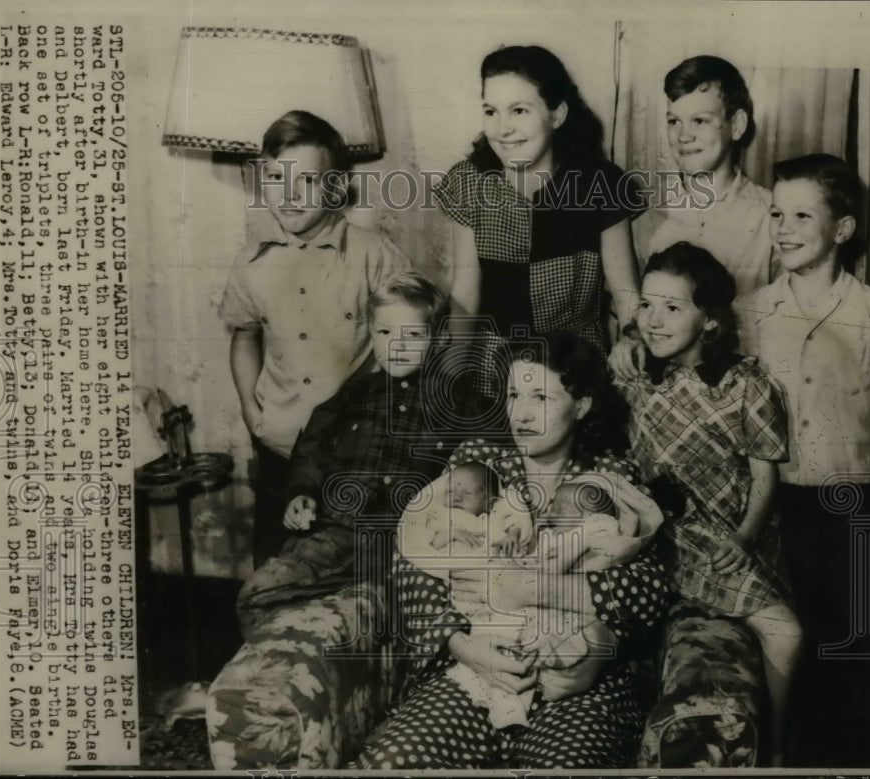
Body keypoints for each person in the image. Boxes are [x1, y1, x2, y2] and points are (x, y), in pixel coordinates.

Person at [352, 332, 669, 770]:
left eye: (540, 396)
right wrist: (463, 647)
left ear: (581, 405)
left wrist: (531, 593)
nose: (521, 413)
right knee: (394, 761)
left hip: (575, 679)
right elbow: (414, 560)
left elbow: (647, 589)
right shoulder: (479, 461)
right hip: (479, 663)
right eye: (513, 394)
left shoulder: (610, 474)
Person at [737, 154, 870, 767]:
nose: (784, 227)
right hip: (784, 504)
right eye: (777, 214)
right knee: (797, 640)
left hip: (857, 504)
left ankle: (857, 760)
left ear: (841, 230)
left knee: (860, 643)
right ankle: (792, 759)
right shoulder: (754, 312)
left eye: (802, 215)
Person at [614, 241, 801, 764]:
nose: (654, 319)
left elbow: (766, 480)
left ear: (711, 322)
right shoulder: (634, 383)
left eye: (673, 308)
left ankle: (778, 749)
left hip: (729, 538)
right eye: (646, 304)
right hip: (663, 545)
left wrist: (743, 539)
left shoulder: (748, 387)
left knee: (787, 632)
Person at [235, 273, 492, 633]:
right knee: (259, 591)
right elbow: (311, 450)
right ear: (371, 334)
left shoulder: (462, 403)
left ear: (440, 339)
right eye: (384, 333)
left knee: (269, 595)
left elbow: (493, 464)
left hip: (407, 540)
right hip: (338, 530)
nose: (395, 345)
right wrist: (302, 494)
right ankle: (278, 663)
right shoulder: (355, 394)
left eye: (412, 335)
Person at [218, 110, 409, 567]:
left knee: (356, 567)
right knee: (275, 564)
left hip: (354, 452)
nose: (289, 195)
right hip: (281, 447)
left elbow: (410, 343)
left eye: (306, 181)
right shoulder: (251, 264)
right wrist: (251, 410)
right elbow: (244, 338)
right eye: (276, 178)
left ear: (337, 187)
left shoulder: (374, 255)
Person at [435, 45, 642, 393]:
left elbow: (626, 295)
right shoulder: (469, 181)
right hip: (496, 365)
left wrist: (632, 349)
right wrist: (452, 375)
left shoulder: (600, 182)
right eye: (491, 111)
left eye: (519, 110)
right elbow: (466, 294)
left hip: (576, 363)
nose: (502, 129)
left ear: (556, 114)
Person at [400, 470, 646, 731]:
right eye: (551, 507)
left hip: (582, 680)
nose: (550, 514)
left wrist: (524, 584)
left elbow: (637, 580)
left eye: (559, 509)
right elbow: (414, 563)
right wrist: (458, 644)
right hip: (483, 639)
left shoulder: (611, 481)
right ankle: (508, 707)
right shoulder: (477, 467)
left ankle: (547, 672)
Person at [630, 55, 773, 301]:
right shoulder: (646, 214)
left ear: (737, 125)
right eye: (674, 121)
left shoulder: (771, 215)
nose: (683, 136)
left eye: (700, 120)